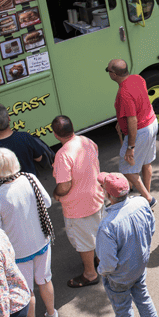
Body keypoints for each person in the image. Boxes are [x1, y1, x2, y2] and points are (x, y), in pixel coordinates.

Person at [0, 147, 58, 317]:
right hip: (41, 241)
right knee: (45, 279)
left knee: (26, 291)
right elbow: (48, 203)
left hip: (17, 252)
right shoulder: (30, 179)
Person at [95, 172, 159, 317]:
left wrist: (101, 271)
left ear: (109, 195)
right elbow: (152, 228)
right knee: (143, 299)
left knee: (123, 312)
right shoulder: (142, 203)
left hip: (119, 277)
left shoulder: (107, 225)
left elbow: (108, 264)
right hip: (139, 267)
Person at [52, 115, 105, 289]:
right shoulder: (86, 141)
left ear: (55, 135)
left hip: (78, 207)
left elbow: (65, 185)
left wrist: (56, 193)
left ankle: (90, 274)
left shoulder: (62, 155)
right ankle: (100, 260)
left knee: (83, 242)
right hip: (96, 197)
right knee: (97, 234)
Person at [107, 59, 157, 205]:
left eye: (108, 70)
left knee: (126, 168)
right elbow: (139, 102)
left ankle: (149, 199)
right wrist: (120, 121)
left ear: (114, 74)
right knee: (146, 162)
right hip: (152, 122)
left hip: (141, 130)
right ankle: (146, 194)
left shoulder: (124, 93)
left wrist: (131, 147)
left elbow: (132, 120)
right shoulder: (137, 78)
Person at [0, 104, 53, 195]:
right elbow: (39, 158)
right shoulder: (25, 137)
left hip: (7, 195)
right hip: (30, 187)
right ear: (9, 119)